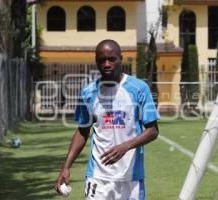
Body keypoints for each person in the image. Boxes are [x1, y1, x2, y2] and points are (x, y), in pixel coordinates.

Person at [54, 39, 160, 200]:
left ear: (121, 59)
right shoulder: (88, 92)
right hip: (98, 176)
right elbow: (82, 131)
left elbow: (152, 131)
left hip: (130, 178)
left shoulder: (139, 88)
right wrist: (66, 167)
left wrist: (125, 146)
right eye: (102, 60)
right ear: (96, 62)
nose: (107, 64)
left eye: (112, 59)